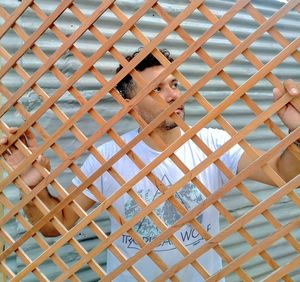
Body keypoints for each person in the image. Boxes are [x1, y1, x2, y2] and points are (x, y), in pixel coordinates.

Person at [1, 48, 300, 281]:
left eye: (173, 83)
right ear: (130, 104)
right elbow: (57, 224)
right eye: (156, 89)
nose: (173, 94)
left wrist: (297, 135)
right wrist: (31, 181)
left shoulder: (212, 144)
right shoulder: (109, 158)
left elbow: (282, 173)